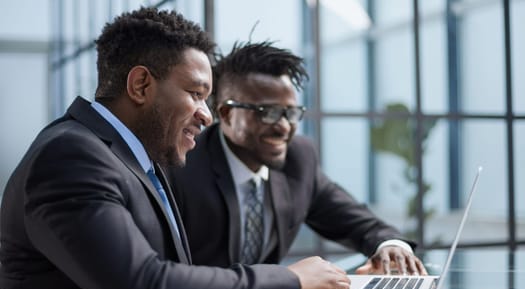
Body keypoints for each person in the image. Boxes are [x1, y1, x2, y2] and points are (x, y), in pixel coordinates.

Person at [0, 9, 350, 289]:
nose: (207, 116)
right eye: (196, 94)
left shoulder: (133, 158)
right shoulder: (72, 158)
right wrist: (290, 280)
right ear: (140, 85)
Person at [168, 41, 427, 276]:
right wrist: (293, 281)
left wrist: (390, 244)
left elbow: (355, 221)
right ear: (225, 114)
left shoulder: (299, 159)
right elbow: (166, 277)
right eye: (267, 112)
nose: (283, 127)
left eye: (290, 113)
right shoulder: (181, 163)